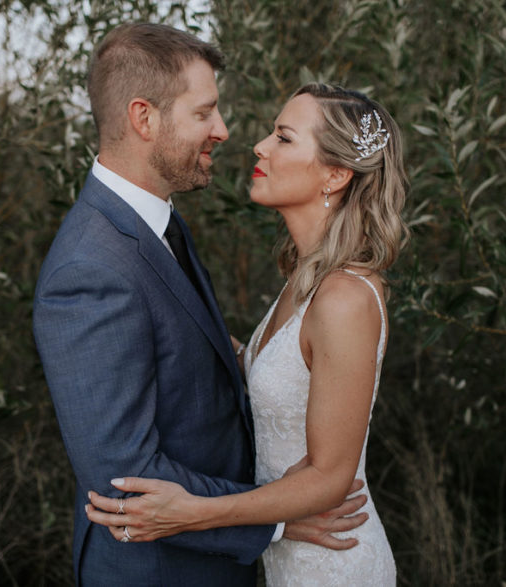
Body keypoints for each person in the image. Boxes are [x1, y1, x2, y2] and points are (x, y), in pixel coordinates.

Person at [33, 24, 368, 586]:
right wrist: (274, 520)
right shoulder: (88, 269)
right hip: (160, 571)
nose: (224, 130)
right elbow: (124, 479)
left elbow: (189, 357)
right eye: (204, 112)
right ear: (144, 118)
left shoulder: (158, 223)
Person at [85, 82, 408, 586]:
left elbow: (330, 478)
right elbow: (263, 368)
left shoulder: (344, 298)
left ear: (336, 174)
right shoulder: (305, 280)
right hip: (288, 559)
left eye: (283, 137)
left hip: (334, 562)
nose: (259, 146)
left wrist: (194, 511)